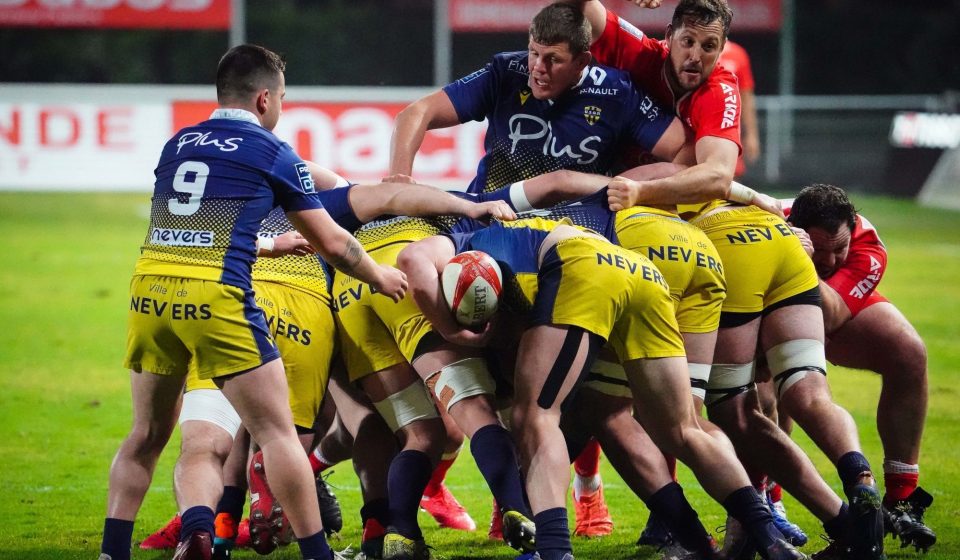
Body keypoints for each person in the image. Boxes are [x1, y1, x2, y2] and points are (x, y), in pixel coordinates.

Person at [579, 2, 887, 558]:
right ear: (668, 36)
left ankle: (713, 531)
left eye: (710, 47)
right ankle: (854, 503)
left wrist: (637, 191)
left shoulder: (711, 88)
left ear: (724, 51)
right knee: (784, 398)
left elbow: (715, 176)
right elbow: (584, 15)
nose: (696, 57)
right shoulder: (639, 55)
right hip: (771, 238)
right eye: (688, 44)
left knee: (679, 414)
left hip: (703, 245)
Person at [388, 2, 688, 539]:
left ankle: (585, 511)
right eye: (534, 54)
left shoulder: (614, 91)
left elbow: (684, 156)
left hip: (568, 249)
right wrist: (398, 177)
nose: (538, 69)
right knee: (517, 390)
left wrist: (631, 185)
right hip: (491, 232)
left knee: (577, 402)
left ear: (582, 60)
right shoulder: (506, 71)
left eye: (552, 59)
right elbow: (416, 113)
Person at [99, 44, 408, 560]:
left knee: (147, 434)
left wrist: (261, 242)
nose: (281, 108)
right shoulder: (272, 151)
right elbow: (334, 243)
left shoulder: (177, 144)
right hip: (216, 297)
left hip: (149, 289)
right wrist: (380, 276)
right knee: (277, 433)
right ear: (264, 98)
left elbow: (189, 228)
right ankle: (317, 553)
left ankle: (117, 550)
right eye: (282, 98)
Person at [399, 216, 806, 560]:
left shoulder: (457, 243)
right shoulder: (517, 237)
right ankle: (763, 536)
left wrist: (453, 331)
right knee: (677, 427)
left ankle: (555, 551)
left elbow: (411, 257)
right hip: (639, 273)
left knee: (535, 416)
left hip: (580, 268)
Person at [786, 184, 936, 552]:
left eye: (840, 248)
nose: (834, 260)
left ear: (851, 229)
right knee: (763, 388)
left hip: (828, 303)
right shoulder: (772, 226)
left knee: (908, 352)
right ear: (801, 231)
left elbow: (832, 315)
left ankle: (901, 499)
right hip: (767, 310)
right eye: (822, 251)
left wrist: (802, 260)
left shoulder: (867, 246)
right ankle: (765, 500)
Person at [717, 39, 760, 177]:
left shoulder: (737, 54)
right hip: (696, 124)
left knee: (730, 175)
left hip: (728, 126)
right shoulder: (693, 52)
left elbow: (746, 97)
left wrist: (752, 135)